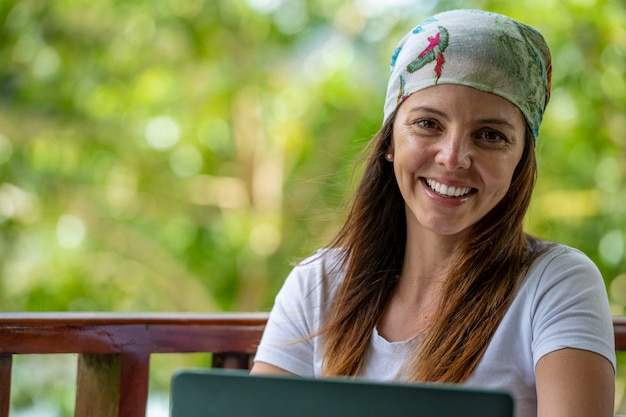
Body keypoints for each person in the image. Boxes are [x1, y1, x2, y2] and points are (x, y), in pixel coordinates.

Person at [250, 9, 616, 417]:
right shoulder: (317, 285)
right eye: (428, 123)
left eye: (491, 135)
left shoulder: (557, 283)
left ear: (520, 161)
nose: (454, 157)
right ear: (390, 141)